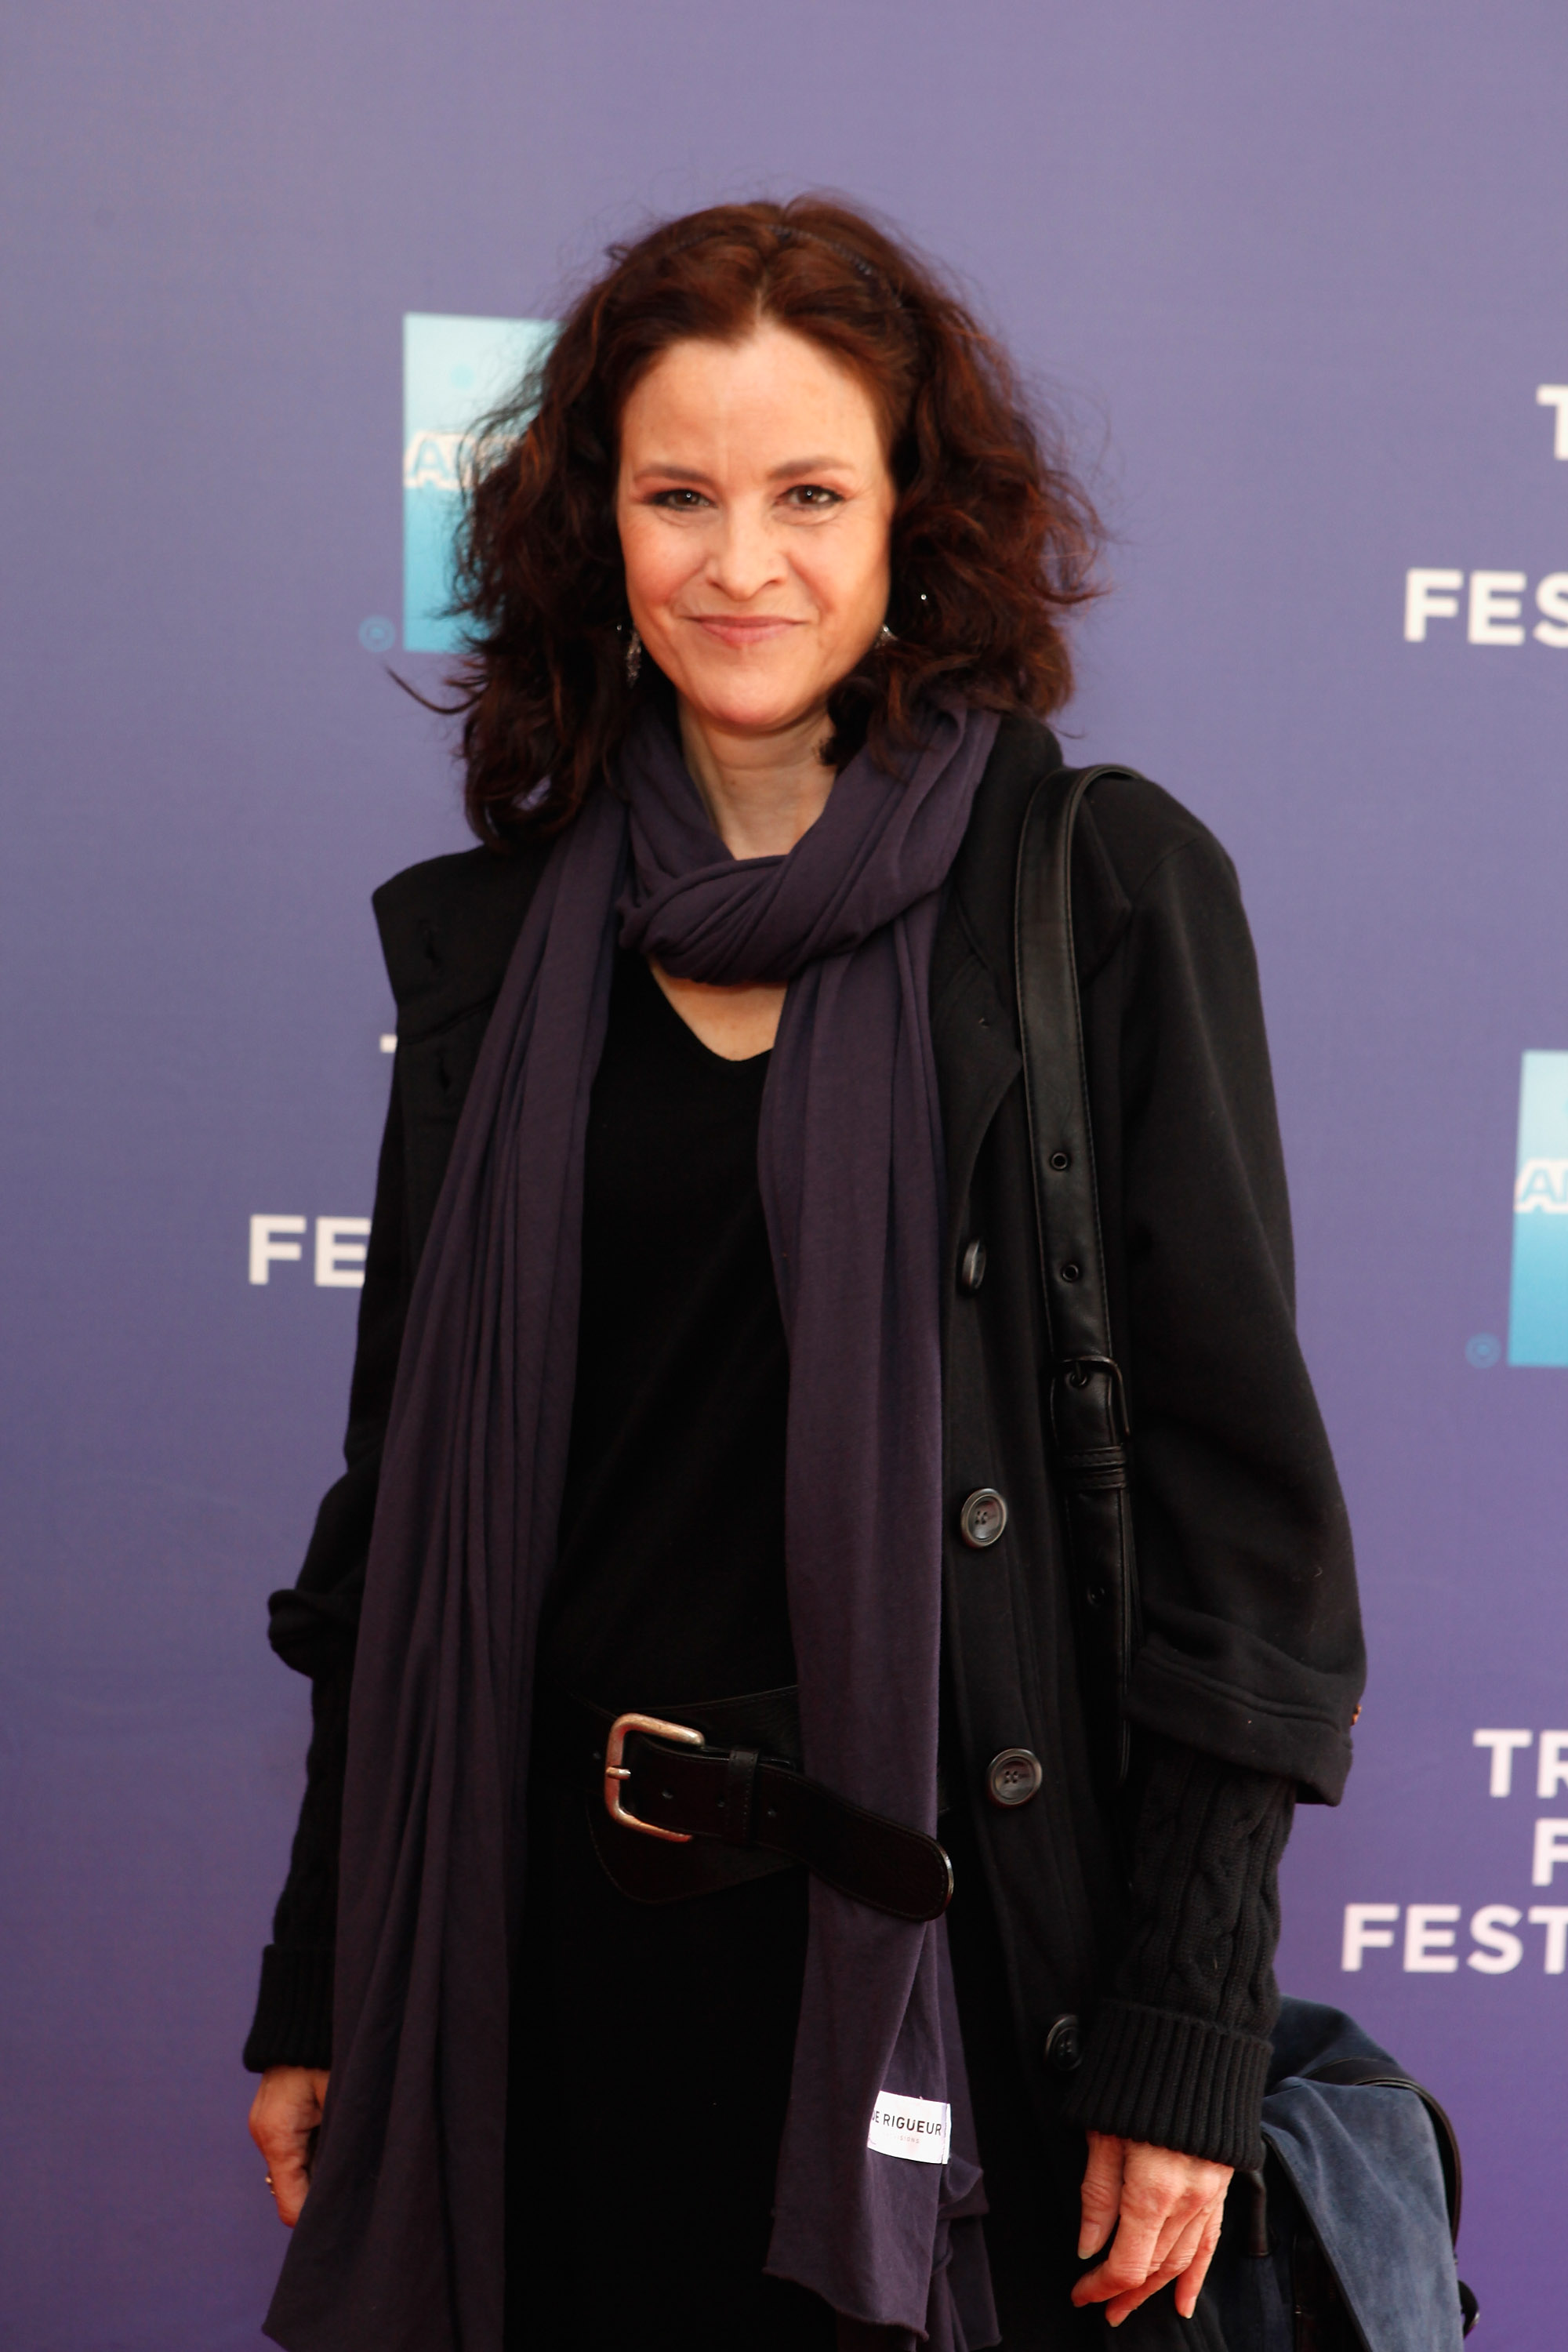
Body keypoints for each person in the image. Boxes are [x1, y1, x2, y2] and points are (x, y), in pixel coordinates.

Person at [243, 198, 1363, 2352]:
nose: (740, 563)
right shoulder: (500, 952)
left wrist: (1184, 2042)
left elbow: (1246, 1541)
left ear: (908, 520)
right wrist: (322, 1985)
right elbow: (393, 1546)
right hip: (539, 1986)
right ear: (602, 528)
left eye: (807, 493)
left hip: (952, 1982)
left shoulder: (1095, 893)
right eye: (680, 494)